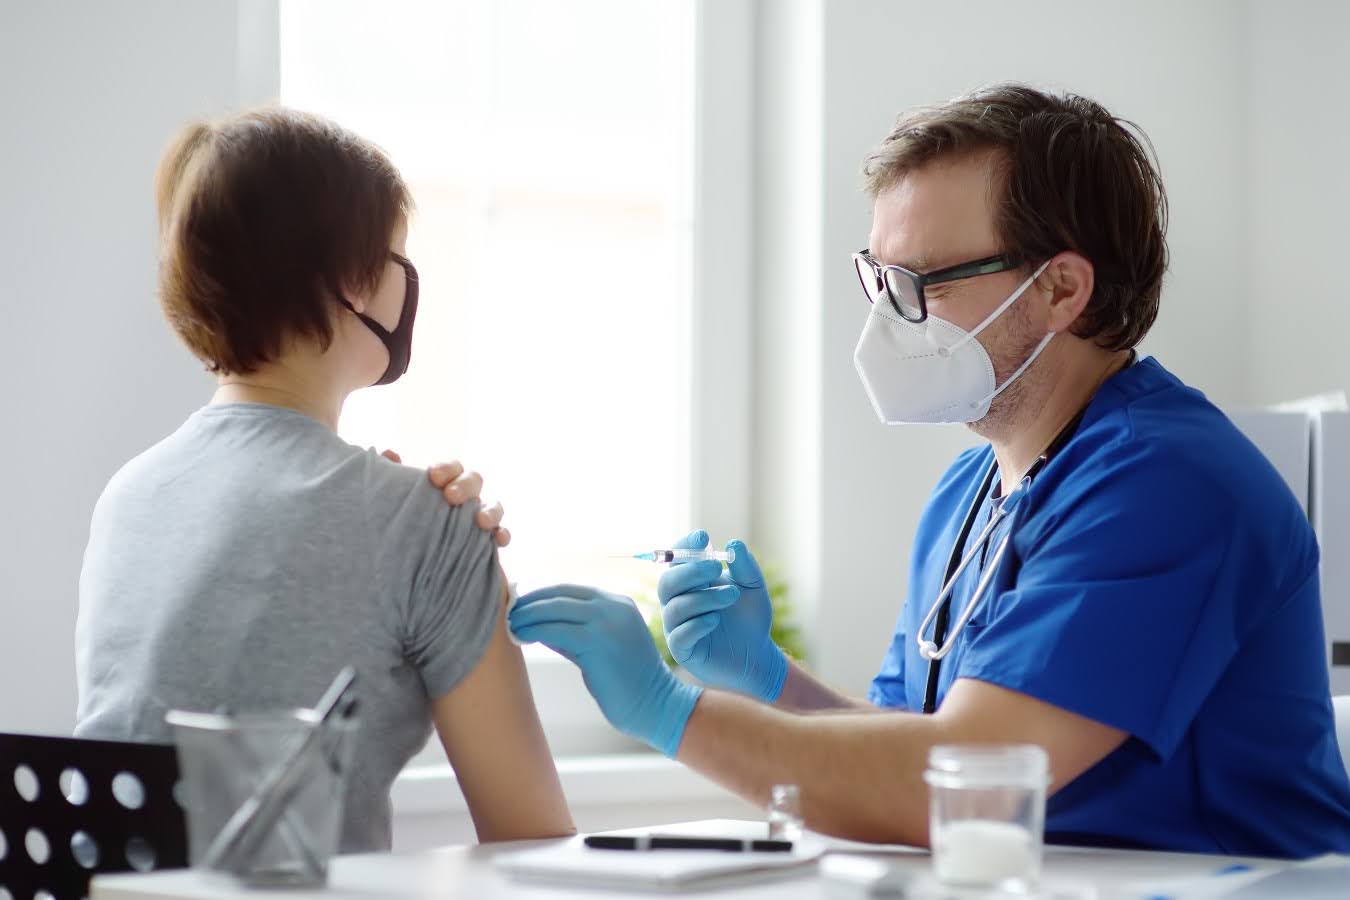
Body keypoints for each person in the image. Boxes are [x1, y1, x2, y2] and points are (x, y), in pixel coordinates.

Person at [508, 84, 1350, 857]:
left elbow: (961, 783)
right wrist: (768, 678)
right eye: (877, 278)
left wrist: (669, 710)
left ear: (1061, 289)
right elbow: (906, 742)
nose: (885, 320)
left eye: (920, 284)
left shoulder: (1168, 484)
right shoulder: (971, 489)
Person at [75, 108, 574, 851]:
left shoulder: (128, 496)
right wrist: (448, 554)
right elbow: (533, 840)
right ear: (352, 282)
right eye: (396, 257)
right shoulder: (428, 522)